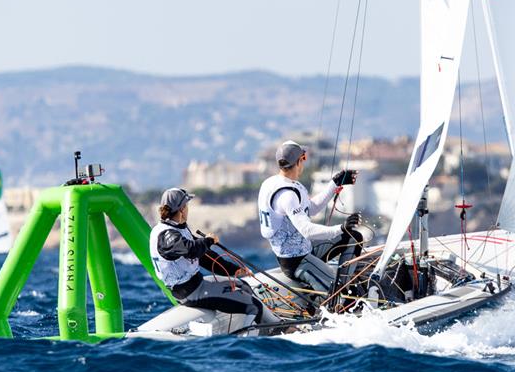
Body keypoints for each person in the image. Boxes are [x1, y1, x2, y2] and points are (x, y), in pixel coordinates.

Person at [149, 187, 280, 333]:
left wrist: (234, 270)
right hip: (189, 292)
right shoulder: (167, 236)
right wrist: (207, 240)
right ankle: (278, 330)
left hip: (198, 284)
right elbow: (192, 250)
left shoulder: (178, 229)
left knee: (244, 286)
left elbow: (205, 257)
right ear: (182, 209)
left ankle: (267, 324)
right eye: (187, 206)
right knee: (253, 305)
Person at [258, 140, 364, 297]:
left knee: (354, 237)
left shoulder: (277, 183)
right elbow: (307, 230)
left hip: (307, 250)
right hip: (297, 262)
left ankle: (343, 284)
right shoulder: (287, 196)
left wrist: (334, 184)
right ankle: (340, 294)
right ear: (300, 160)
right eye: (304, 158)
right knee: (342, 295)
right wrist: (340, 228)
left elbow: (311, 208)